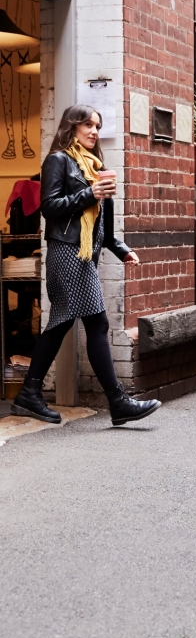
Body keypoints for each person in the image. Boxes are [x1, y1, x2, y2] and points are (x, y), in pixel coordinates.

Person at [11, 105, 162, 427]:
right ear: (71, 127)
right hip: (67, 253)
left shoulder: (95, 166)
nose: (94, 131)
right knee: (98, 324)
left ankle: (28, 394)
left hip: (83, 255)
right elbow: (49, 207)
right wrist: (88, 193)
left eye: (97, 125)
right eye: (87, 125)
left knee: (61, 324)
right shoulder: (59, 160)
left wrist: (120, 249)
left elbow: (100, 224)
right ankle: (118, 402)